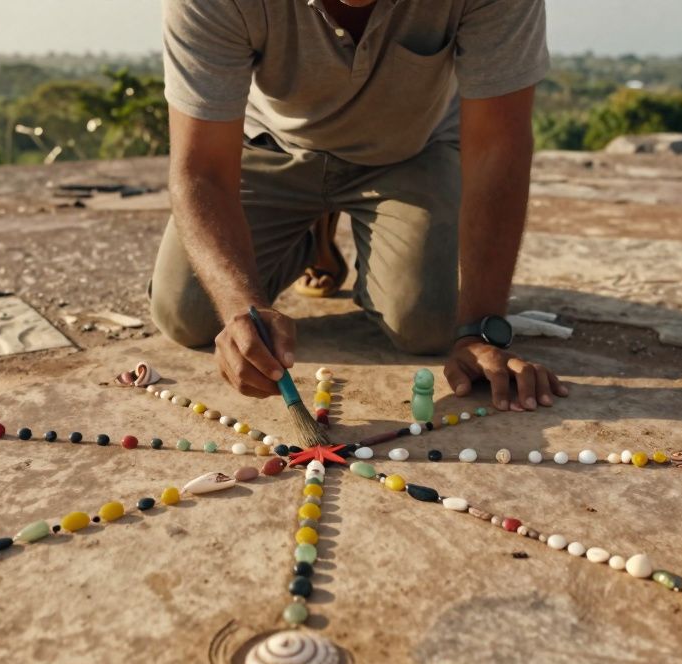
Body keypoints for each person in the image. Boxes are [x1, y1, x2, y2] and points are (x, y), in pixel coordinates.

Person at [149, 0, 568, 413]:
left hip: (411, 150)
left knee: (428, 324)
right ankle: (311, 238)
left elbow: (497, 146)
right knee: (188, 314)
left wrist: (479, 331)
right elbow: (202, 171)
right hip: (271, 146)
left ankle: (358, 238)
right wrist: (242, 307)